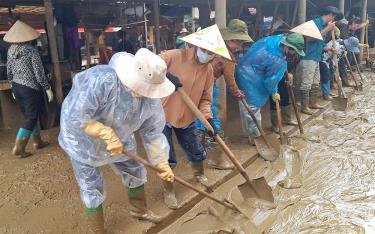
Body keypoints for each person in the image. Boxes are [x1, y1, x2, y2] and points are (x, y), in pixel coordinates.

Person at [58, 49, 175, 233]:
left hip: (121, 139)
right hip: (83, 140)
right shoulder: (102, 80)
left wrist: (161, 163)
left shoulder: (150, 100)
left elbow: (153, 133)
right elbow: (75, 115)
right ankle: (97, 230)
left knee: (134, 169)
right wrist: (103, 132)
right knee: (91, 185)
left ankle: (140, 211)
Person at [159, 26, 229, 209]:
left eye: (213, 52)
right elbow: (149, 68)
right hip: (162, 114)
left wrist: (209, 120)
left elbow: (205, 99)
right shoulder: (173, 56)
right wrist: (165, 75)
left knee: (195, 148)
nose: (209, 55)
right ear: (196, 46)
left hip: (188, 116)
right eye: (206, 50)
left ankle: (199, 175)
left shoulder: (208, 72)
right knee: (166, 155)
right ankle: (168, 190)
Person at [195, 19, 252, 170]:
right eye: (239, 43)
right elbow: (230, 80)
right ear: (232, 40)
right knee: (212, 119)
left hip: (194, 84)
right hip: (207, 85)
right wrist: (236, 92)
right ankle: (217, 159)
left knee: (199, 118)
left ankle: (199, 151)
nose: (240, 47)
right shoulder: (228, 58)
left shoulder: (212, 47)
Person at [236, 33, 305, 146]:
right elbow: (270, 81)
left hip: (244, 67)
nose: (294, 54)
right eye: (294, 51)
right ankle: (256, 138)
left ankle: (247, 133)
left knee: (245, 106)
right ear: (287, 47)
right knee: (252, 109)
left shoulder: (276, 39)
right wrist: (274, 92)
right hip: (251, 78)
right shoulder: (277, 60)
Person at [5, 20, 53, 158]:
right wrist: (47, 87)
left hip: (17, 87)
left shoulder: (10, 50)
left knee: (29, 116)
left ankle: (38, 142)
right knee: (32, 117)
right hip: (30, 88)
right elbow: (39, 73)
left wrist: (13, 87)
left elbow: (9, 71)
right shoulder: (32, 51)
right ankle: (19, 148)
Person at [295, 6, 343, 115]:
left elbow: (320, 45)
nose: (334, 21)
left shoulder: (325, 26)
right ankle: (304, 106)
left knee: (315, 82)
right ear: (331, 15)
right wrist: (327, 29)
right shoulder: (314, 23)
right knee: (306, 83)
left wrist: (329, 48)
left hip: (317, 57)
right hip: (308, 57)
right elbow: (308, 39)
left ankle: (313, 102)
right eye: (334, 18)